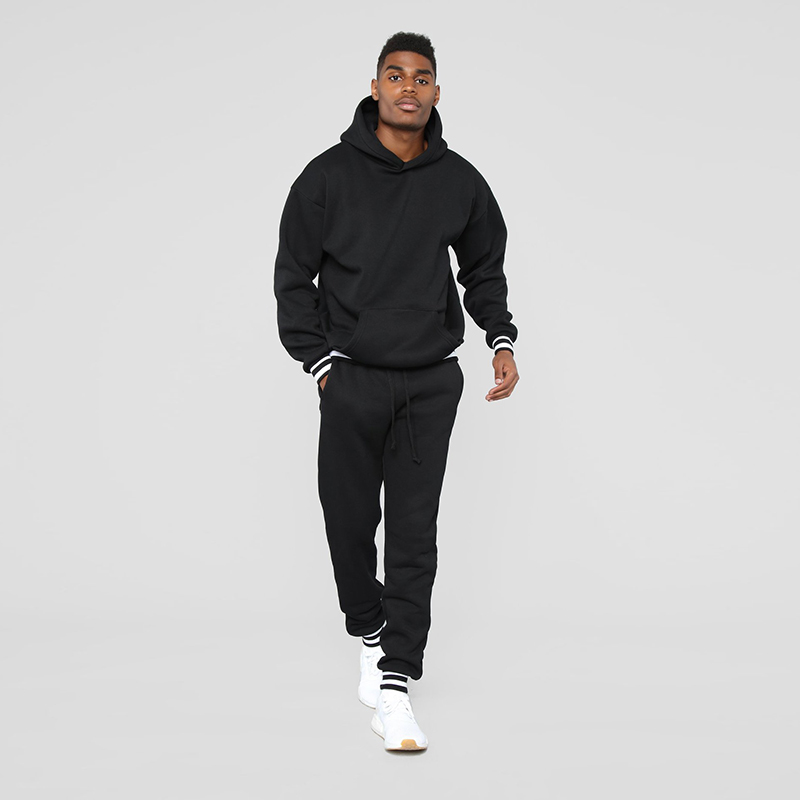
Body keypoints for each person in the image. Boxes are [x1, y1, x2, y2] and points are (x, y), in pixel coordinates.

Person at [273, 31, 519, 751]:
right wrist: (320, 363)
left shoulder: (460, 180)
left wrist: (500, 339)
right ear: (375, 87)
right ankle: (370, 628)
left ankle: (396, 686)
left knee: (415, 536)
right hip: (351, 377)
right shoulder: (326, 177)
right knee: (348, 524)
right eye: (395, 75)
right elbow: (293, 275)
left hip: (429, 383)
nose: (408, 87)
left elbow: (484, 267)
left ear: (437, 92)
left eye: (421, 77)